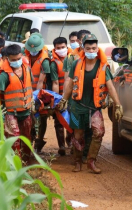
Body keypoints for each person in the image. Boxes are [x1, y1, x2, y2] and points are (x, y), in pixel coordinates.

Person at [58, 34, 123, 174]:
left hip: (94, 107)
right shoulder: (76, 64)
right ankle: (77, 162)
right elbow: (70, 84)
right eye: (88, 48)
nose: (91, 51)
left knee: (99, 132)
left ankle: (91, 161)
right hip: (77, 105)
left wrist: (118, 104)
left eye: (94, 48)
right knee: (78, 135)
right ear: (83, 48)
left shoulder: (103, 66)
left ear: (97, 48)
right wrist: (64, 99)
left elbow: (110, 86)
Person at [0, 44, 33, 164]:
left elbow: (29, 88)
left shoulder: (27, 69)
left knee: (27, 137)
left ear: (22, 56)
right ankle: (15, 163)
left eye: (18, 59)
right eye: (13, 60)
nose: (17, 62)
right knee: (14, 138)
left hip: (26, 110)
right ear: (7, 59)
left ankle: (26, 162)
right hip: (11, 112)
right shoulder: (4, 75)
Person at [63, 29, 91, 158]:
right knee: (77, 128)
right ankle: (78, 155)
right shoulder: (72, 58)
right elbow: (68, 79)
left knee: (91, 128)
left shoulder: (97, 57)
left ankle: (88, 155)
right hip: (76, 98)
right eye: (84, 39)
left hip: (92, 99)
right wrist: (65, 98)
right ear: (80, 41)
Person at [24, 33, 51, 153]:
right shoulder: (24, 57)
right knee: (28, 118)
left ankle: (39, 142)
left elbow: (41, 80)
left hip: (40, 93)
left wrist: (35, 97)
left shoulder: (44, 61)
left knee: (42, 118)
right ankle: (28, 142)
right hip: (25, 92)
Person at [48, 37, 73, 155]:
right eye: (58, 48)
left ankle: (71, 142)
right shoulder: (54, 64)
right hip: (61, 95)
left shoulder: (73, 59)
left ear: (67, 47)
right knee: (59, 121)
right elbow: (55, 82)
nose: (61, 49)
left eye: (63, 47)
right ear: (54, 49)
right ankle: (61, 146)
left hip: (73, 96)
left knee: (71, 119)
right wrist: (58, 99)